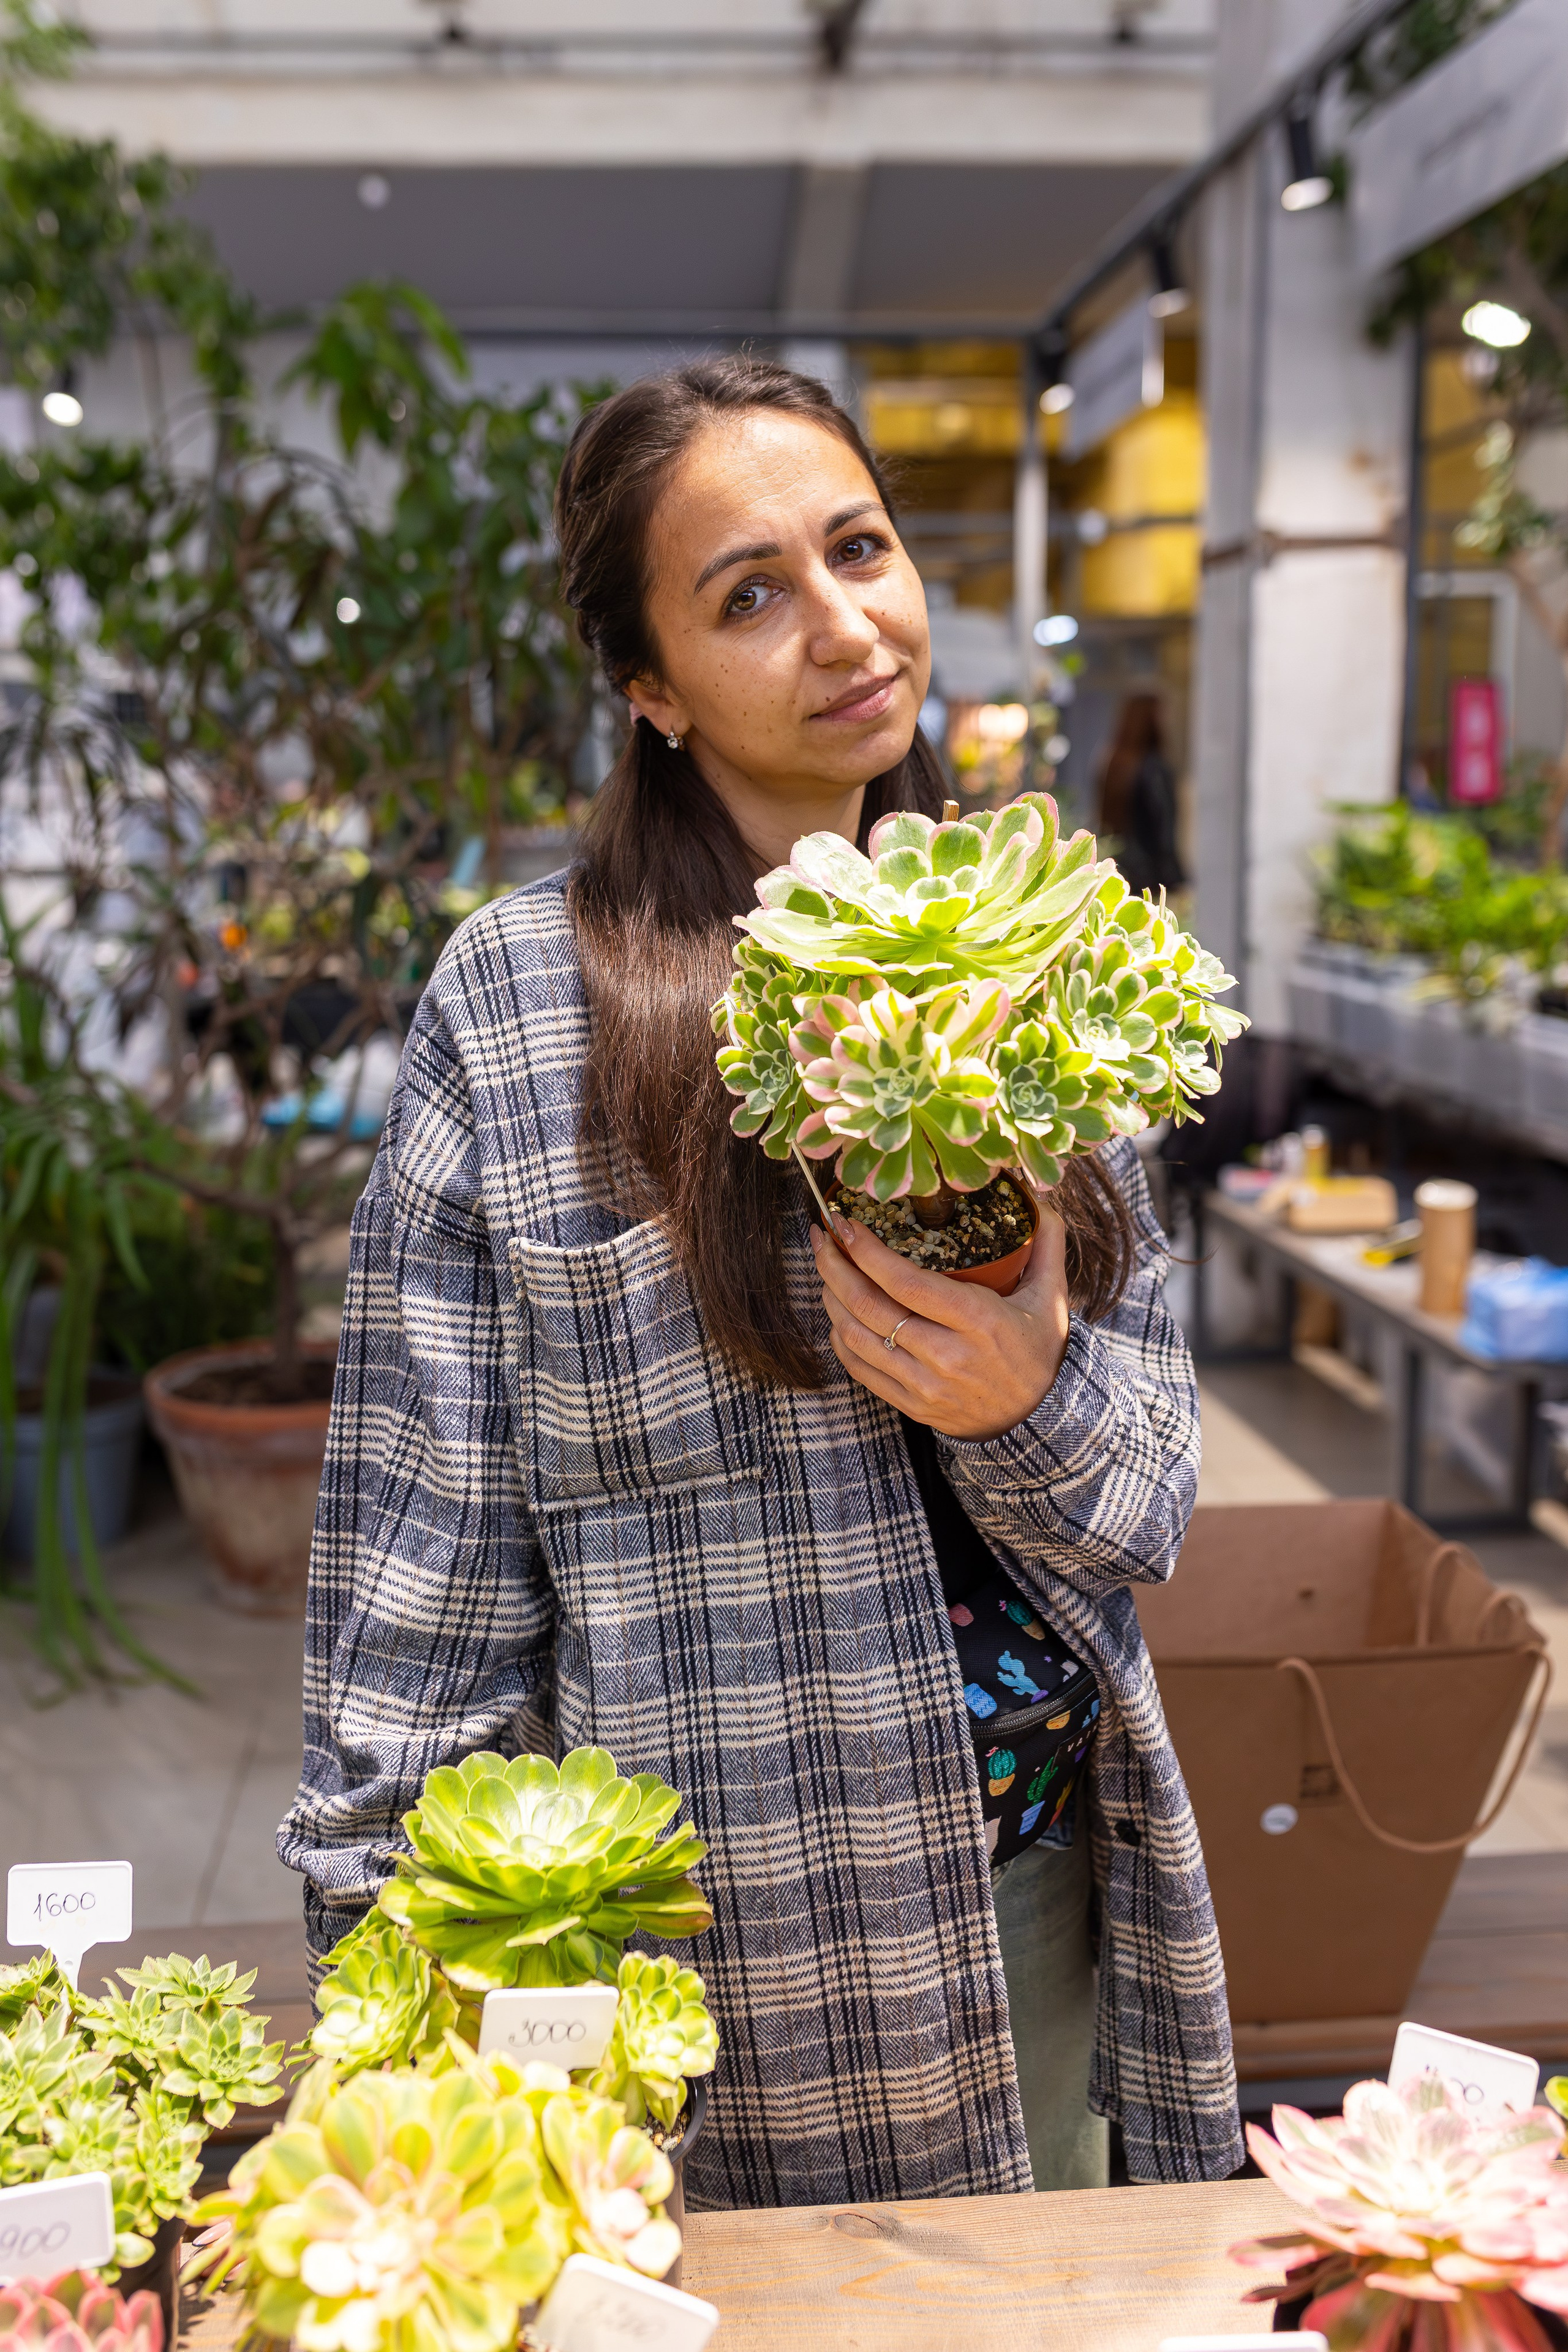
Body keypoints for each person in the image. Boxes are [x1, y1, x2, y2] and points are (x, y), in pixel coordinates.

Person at [280, 358, 1241, 2209]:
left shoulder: (1043, 954)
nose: (846, 624)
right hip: (713, 1968)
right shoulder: (526, 1006)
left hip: (1039, 1896)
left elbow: (1148, 1505)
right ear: (647, 686)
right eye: (747, 594)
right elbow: (421, 1569)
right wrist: (377, 1973)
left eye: (858, 548)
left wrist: (1023, 1398)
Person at [1096, 690, 1186, 898]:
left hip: (1119, 871)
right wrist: (1177, 880)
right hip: (1153, 881)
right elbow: (1163, 832)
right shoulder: (1154, 768)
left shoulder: (1114, 763)